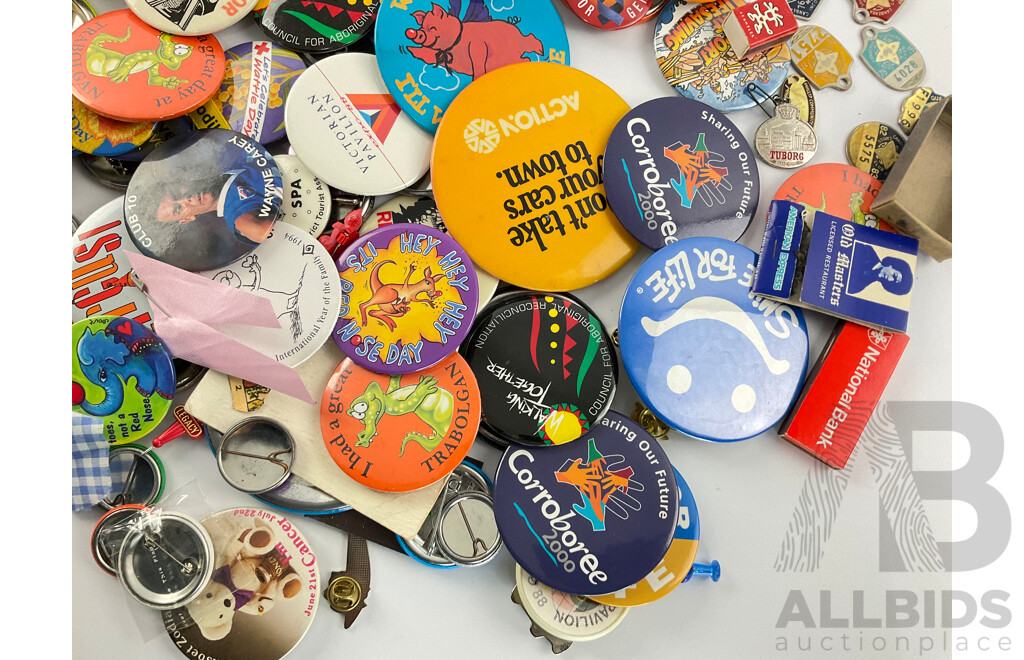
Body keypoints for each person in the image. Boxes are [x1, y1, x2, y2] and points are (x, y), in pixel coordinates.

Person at [154, 168, 274, 246]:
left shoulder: (226, 161)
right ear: (188, 219)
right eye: (178, 208)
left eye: (177, 193)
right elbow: (277, 235)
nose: (186, 198)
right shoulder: (238, 215)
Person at [848, 244, 914, 296]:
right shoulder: (867, 251)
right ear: (892, 265)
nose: (890, 279)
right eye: (894, 275)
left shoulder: (857, 287)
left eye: (894, 283)